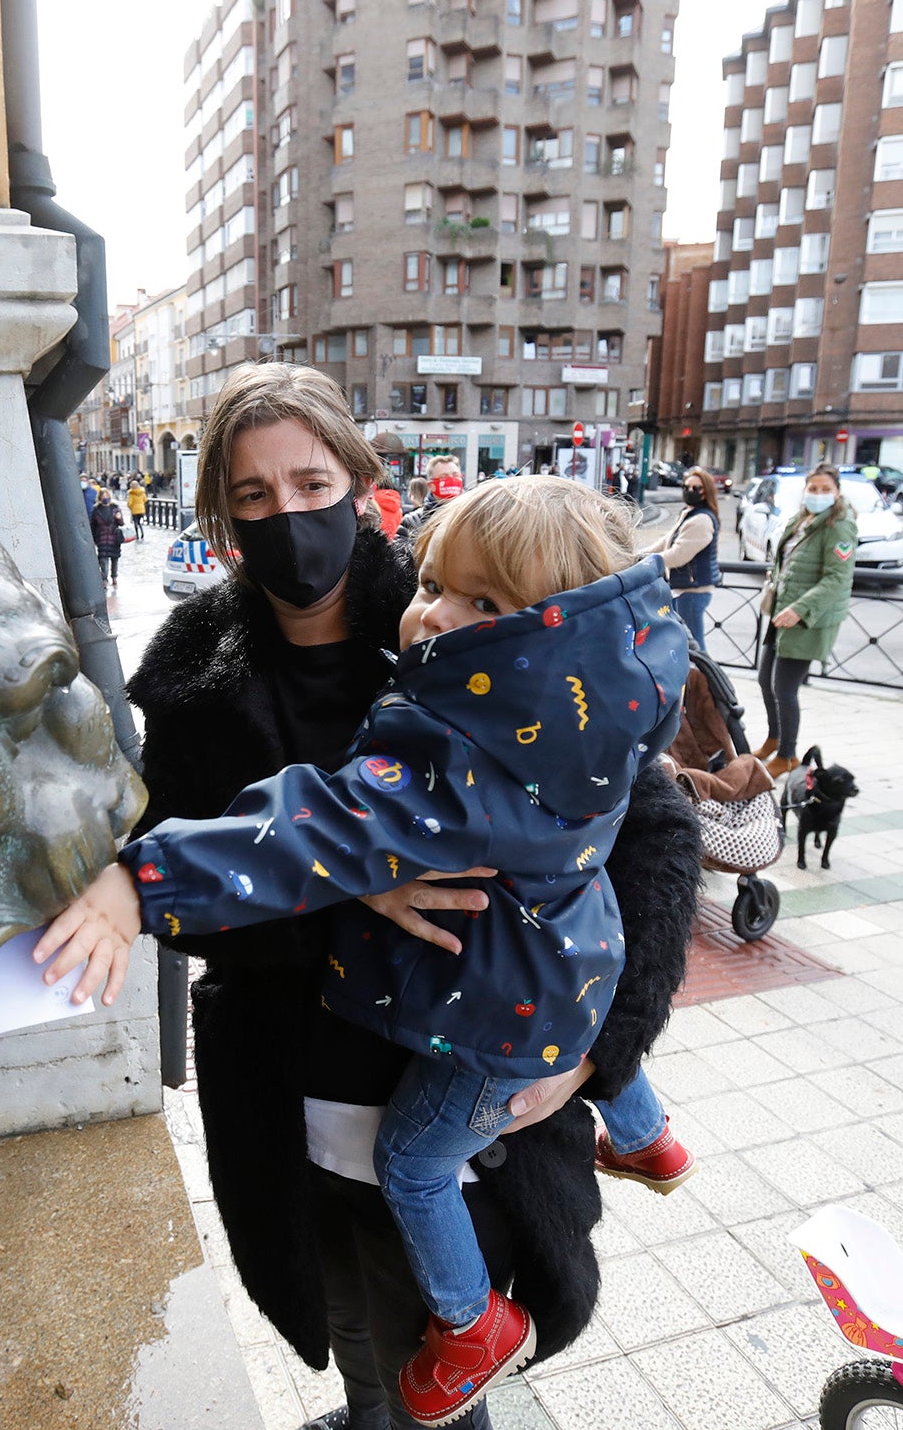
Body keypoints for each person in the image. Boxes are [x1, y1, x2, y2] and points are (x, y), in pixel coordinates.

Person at [41, 364, 700, 1430]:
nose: (287, 515)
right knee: (360, 1340)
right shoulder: (195, 674)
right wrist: (346, 901)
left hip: (467, 1097)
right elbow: (220, 877)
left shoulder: (499, 638)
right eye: (252, 494)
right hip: (297, 1100)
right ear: (220, 515)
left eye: (311, 483)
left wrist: (601, 1054)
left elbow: (654, 841)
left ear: (360, 484)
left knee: (433, 1365)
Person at [756, 463, 858, 779]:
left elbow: (837, 578)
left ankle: (787, 755)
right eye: (813, 488)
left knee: (784, 688)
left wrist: (800, 609)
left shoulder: (839, 526)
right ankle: (774, 739)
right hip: (782, 611)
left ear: (837, 492)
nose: (818, 494)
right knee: (764, 680)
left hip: (807, 619)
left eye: (825, 489)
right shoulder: (803, 519)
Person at [646, 465, 722, 651]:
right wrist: (641, 554)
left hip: (692, 591)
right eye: (686, 487)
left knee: (694, 646)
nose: (690, 491)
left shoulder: (701, 520)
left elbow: (678, 555)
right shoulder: (689, 514)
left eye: (696, 488)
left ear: (706, 491)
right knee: (685, 644)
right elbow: (667, 541)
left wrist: (649, 561)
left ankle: (705, 671)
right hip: (685, 589)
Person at [398, 458, 464, 547]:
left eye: (456, 475)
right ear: (431, 486)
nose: (452, 480)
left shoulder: (472, 517)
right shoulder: (412, 521)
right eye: (444, 477)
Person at [90, 486, 126, 587]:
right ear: (100, 497)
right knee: (103, 560)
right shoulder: (96, 509)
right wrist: (94, 538)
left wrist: (119, 518)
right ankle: (104, 579)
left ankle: (114, 577)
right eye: (103, 496)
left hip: (114, 538)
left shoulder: (115, 508)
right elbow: (93, 525)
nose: (105, 497)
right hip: (101, 538)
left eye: (106, 495)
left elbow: (121, 523)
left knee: (115, 559)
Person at [127, 475, 149, 541]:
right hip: (141, 509)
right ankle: (142, 533)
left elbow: (130, 503)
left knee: (136, 522)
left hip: (134, 510)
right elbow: (145, 500)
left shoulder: (131, 493)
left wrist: (130, 507)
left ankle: (137, 534)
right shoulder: (142, 492)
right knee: (139, 522)